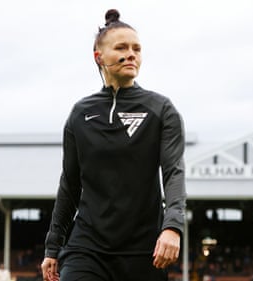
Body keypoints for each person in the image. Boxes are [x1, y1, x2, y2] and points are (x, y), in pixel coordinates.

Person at [40, 8, 186, 281]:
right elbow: (70, 184)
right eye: (121, 47)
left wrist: (173, 227)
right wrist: (53, 246)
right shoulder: (80, 113)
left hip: (144, 251)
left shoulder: (161, 109)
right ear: (99, 56)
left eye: (137, 49)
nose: (132, 54)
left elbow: (173, 172)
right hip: (87, 247)